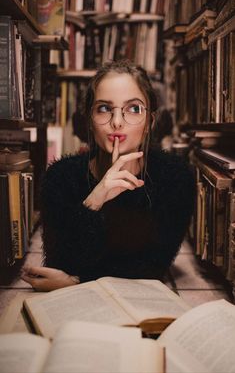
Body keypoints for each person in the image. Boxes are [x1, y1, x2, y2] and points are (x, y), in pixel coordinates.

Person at [22, 60, 196, 292]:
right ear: (90, 122)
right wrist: (95, 200)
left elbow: (153, 268)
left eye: (134, 109)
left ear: (149, 122)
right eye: (104, 108)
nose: (117, 122)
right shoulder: (60, 177)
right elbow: (59, 263)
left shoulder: (175, 177)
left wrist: (78, 281)